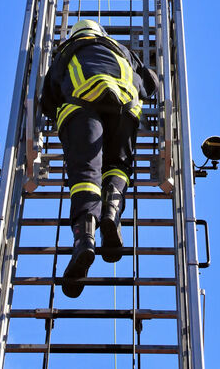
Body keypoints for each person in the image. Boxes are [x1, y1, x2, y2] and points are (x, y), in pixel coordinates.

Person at [40, 18, 159, 297]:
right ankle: (111, 214)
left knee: (86, 177)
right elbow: (150, 81)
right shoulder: (122, 50)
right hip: (126, 108)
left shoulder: (66, 52)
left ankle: (85, 240)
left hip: (82, 107)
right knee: (117, 166)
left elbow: (48, 100)